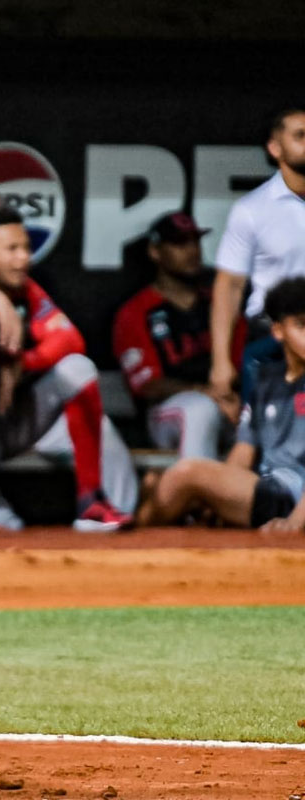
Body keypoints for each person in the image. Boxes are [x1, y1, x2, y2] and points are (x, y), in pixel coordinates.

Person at [0, 207, 136, 532]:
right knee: (0, 529)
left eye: (26, 248)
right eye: (12, 249)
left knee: (78, 370)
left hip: (18, 417)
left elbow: (70, 340)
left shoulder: (27, 290)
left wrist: (20, 363)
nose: (23, 258)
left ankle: (96, 505)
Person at [138, 276, 305, 533]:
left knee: (186, 473)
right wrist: (217, 495)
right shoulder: (266, 381)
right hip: (263, 489)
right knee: (164, 483)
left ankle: (129, 542)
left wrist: (297, 520)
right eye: (302, 326)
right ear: (278, 331)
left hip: (294, 496)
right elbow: (243, 451)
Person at [113, 212, 244, 460]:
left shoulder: (219, 305)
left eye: (195, 241)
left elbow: (241, 364)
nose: (192, 250)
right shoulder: (135, 312)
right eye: (179, 243)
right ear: (155, 252)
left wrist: (229, 397)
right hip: (170, 410)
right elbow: (149, 386)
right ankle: (198, 493)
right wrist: (203, 391)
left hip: (228, 405)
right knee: (199, 411)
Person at [209, 106, 305, 405]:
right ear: (275, 148)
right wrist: (221, 360)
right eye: (300, 136)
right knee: (262, 439)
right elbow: (229, 287)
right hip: (271, 340)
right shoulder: (252, 210)